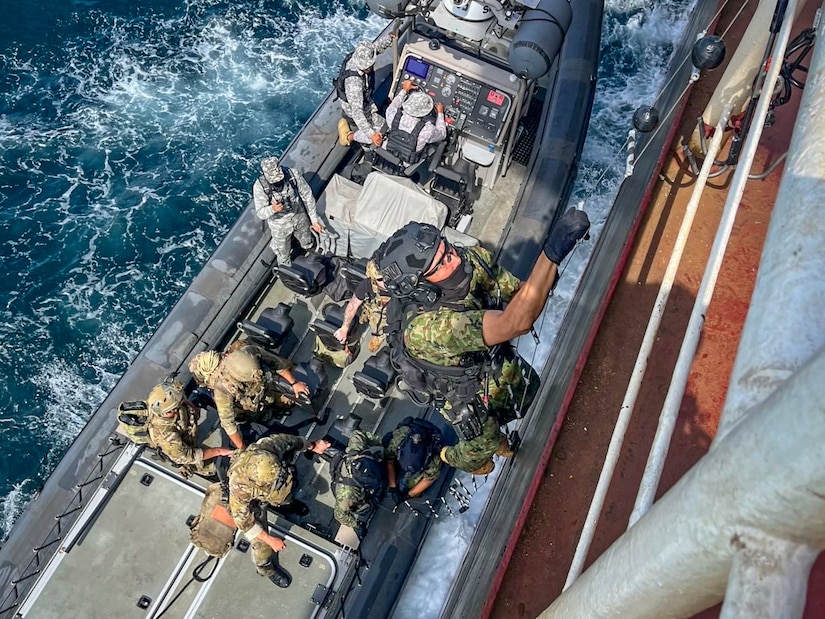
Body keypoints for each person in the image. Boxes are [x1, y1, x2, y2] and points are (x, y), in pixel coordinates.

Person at [374, 208, 590, 474]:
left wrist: (543, 278)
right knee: (483, 443)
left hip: (485, 360)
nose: (453, 261)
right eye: (439, 265)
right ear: (421, 286)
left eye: (447, 250)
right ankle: (448, 456)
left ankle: (502, 441)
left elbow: (517, 292)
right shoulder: (426, 329)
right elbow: (514, 323)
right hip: (460, 390)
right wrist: (552, 254)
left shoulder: (472, 261)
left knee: (526, 389)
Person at [227, 434, 331, 587]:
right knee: (262, 546)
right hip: (253, 502)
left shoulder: (268, 446)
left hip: (276, 489)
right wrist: (270, 539)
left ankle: (286, 503)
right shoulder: (238, 489)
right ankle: (265, 569)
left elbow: (291, 441)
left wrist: (314, 446)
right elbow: (245, 524)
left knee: (285, 489)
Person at [188, 343, 311, 450]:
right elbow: (228, 425)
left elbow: (276, 363)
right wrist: (243, 448)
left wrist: (294, 383)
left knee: (287, 399)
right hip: (246, 404)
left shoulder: (250, 352)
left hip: (264, 390)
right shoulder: (222, 391)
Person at [145, 381, 234, 477]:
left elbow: (185, 405)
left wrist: (192, 409)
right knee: (215, 466)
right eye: (177, 406)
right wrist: (219, 451)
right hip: (182, 453)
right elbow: (189, 456)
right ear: (168, 412)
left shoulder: (169, 402)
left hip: (186, 431)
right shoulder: (164, 434)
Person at [253, 157, 323, 267]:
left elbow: (307, 196)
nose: (278, 182)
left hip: (299, 217)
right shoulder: (260, 187)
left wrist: (314, 220)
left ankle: (313, 261)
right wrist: (273, 209)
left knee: (308, 242)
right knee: (283, 255)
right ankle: (286, 272)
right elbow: (260, 213)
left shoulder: (292, 175)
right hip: (279, 226)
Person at [335, 34, 395, 148]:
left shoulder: (361, 54)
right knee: (383, 128)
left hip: (366, 97)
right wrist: (371, 135)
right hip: (357, 107)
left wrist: (389, 39)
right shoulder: (354, 83)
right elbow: (357, 112)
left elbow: (375, 48)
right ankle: (348, 137)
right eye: (367, 66)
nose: (370, 67)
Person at [331, 429, 387, 539]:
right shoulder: (348, 494)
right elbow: (339, 515)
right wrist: (357, 524)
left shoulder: (356, 453)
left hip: (355, 468)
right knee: (365, 508)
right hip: (346, 487)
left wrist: (382, 442)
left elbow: (358, 434)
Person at [333, 259, 391, 354]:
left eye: (387, 277)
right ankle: (378, 336)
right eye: (380, 279)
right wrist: (344, 328)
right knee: (378, 324)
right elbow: (353, 305)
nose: (385, 281)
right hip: (380, 315)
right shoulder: (367, 285)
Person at [383, 80, 446, 163]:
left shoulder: (392, 115)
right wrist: (440, 113)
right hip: (407, 163)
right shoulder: (427, 130)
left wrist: (404, 90)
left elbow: (395, 103)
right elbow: (442, 134)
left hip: (387, 153)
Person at [384, 417, 443, 501]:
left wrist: (408, 495)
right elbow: (389, 460)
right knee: (385, 440)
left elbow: (430, 478)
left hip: (430, 434)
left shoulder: (433, 457)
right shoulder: (398, 441)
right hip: (410, 429)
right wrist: (392, 487)